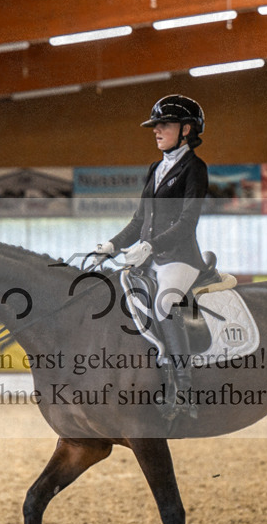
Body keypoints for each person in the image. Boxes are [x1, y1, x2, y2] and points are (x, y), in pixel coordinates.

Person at [94, 94, 224, 420]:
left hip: (180, 259)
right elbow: (140, 221)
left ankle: (184, 390)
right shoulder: (156, 168)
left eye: (163, 125)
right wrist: (110, 245)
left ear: (186, 129)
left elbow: (186, 222)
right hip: (151, 259)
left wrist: (151, 246)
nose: (156, 131)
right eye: (156, 126)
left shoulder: (195, 168)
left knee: (165, 303)